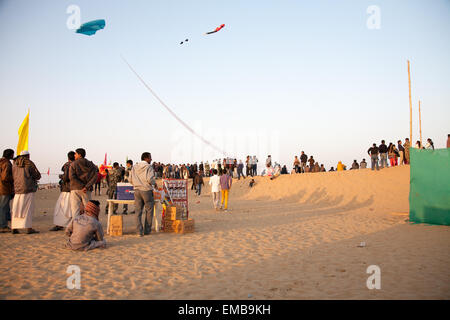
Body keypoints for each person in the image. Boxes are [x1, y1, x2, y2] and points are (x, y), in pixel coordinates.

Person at [11, 151, 41, 234]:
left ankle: (14, 227)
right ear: (28, 156)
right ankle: (28, 228)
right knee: (28, 209)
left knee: (16, 209)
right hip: (28, 189)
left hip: (17, 189)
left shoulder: (14, 164)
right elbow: (37, 176)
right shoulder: (29, 164)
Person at [129, 152, 156, 237]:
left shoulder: (134, 167)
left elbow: (130, 179)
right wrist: (154, 183)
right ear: (146, 158)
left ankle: (139, 231)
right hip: (146, 190)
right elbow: (150, 179)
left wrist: (136, 184)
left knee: (138, 211)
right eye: (150, 158)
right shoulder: (149, 167)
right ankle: (147, 230)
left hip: (136, 190)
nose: (151, 159)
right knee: (149, 210)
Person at [69, 148, 98, 218]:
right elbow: (95, 176)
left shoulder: (73, 164)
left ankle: (76, 226)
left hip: (76, 188)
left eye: (75, 154)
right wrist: (86, 186)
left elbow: (72, 177)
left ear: (79, 155)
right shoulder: (91, 164)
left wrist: (82, 186)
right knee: (88, 209)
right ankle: (89, 225)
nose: (74, 155)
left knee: (75, 209)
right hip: (86, 189)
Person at [50, 151, 75, 231]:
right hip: (73, 189)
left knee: (62, 207)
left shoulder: (68, 165)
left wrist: (61, 176)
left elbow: (66, 177)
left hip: (67, 189)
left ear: (68, 158)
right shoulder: (76, 165)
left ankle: (60, 225)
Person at [0, 149, 14, 232]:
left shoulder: (1, 162)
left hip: (1, 187)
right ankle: (3, 226)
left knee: (2, 207)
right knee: (3, 208)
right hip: (4, 188)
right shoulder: (7, 163)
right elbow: (5, 177)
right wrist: (14, 178)